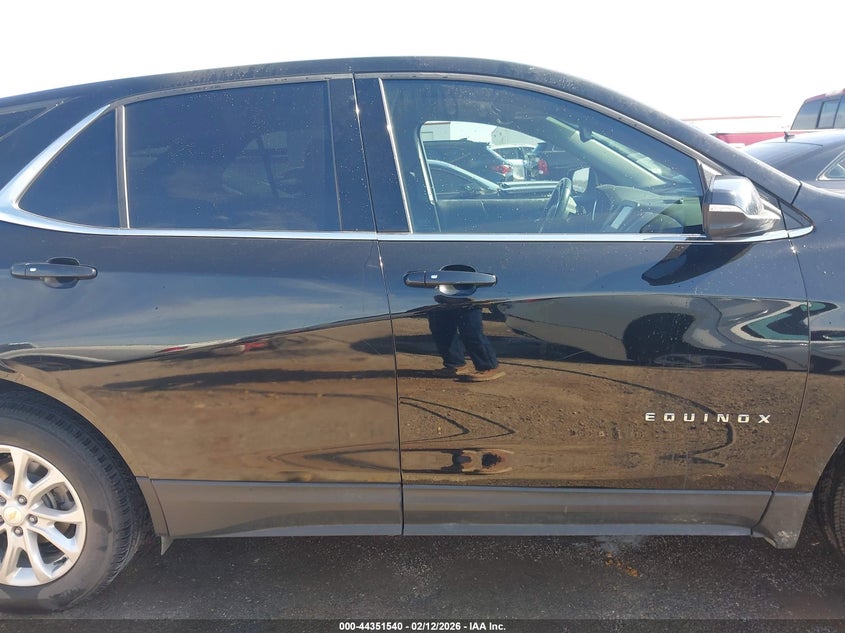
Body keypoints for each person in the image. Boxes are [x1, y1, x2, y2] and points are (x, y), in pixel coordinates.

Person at [428, 305, 504, 382]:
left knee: (471, 330)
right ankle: (455, 364)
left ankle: (489, 367)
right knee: (441, 329)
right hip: (439, 301)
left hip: (466, 301)